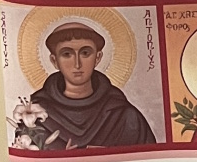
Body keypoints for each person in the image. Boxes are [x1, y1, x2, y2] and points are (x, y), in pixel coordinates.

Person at [26, 21, 156, 151]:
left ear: (98, 58)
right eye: (67, 54)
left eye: (85, 53)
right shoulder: (34, 116)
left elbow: (148, 160)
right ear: (55, 61)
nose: (77, 64)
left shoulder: (123, 116)